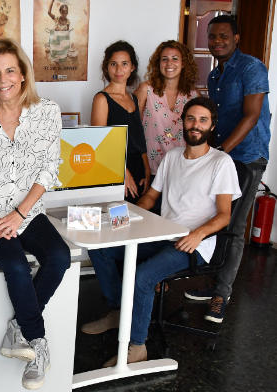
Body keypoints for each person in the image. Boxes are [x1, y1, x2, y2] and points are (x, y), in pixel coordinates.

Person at [81, 97, 241, 366]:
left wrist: (198, 234)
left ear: (212, 126)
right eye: (191, 119)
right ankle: (120, 311)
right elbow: (150, 198)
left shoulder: (221, 162)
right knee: (101, 248)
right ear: (182, 122)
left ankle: (137, 346)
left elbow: (224, 214)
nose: (196, 125)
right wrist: (124, 215)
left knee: (143, 277)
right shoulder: (173, 156)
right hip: (162, 234)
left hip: (193, 245)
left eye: (203, 120)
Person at [0, 38, 71, 390]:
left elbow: (49, 170)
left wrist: (20, 214)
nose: (2, 80)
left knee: (60, 257)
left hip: (27, 213)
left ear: (22, 74)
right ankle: (38, 343)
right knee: (16, 264)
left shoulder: (47, 112)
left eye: (9, 71)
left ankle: (18, 326)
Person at [184, 15, 271, 323]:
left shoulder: (252, 68)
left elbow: (251, 115)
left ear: (236, 38)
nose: (217, 41)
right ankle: (214, 281)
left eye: (223, 36)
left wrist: (220, 152)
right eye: (212, 37)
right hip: (224, 155)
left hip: (247, 157)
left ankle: (222, 294)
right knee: (216, 218)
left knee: (233, 227)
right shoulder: (214, 75)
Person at [134, 40, 198, 189]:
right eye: (164, 59)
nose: (169, 63)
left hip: (181, 170)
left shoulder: (193, 95)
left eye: (175, 58)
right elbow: (132, 128)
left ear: (183, 63)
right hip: (150, 169)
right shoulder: (146, 90)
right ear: (158, 63)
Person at [91, 41, 149, 203]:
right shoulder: (102, 99)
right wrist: (123, 172)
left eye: (124, 64)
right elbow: (99, 143)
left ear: (132, 67)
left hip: (138, 170)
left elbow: (139, 139)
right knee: (118, 215)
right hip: (114, 169)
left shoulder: (134, 98)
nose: (119, 70)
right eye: (113, 64)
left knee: (139, 216)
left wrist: (146, 169)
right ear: (106, 67)